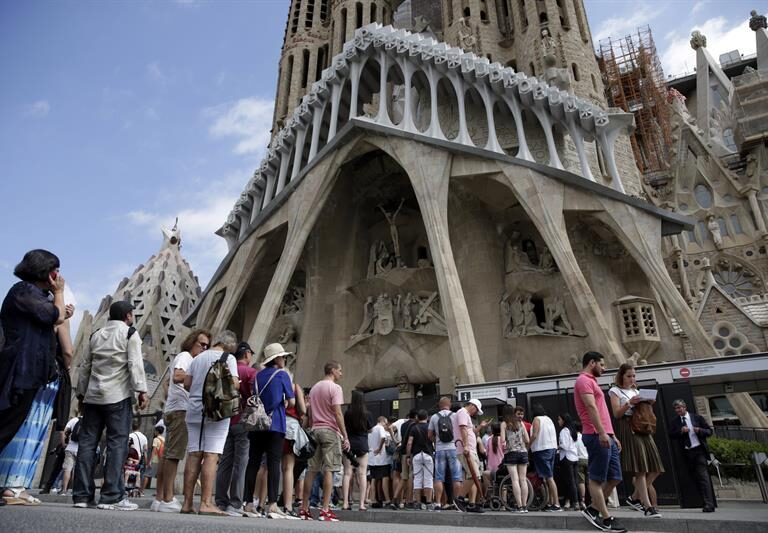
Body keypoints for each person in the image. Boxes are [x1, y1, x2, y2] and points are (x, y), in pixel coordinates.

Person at [0, 250, 67, 506]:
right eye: (55, 270)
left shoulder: (35, 296)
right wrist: (59, 295)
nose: (57, 276)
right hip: (18, 371)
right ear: (44, 270)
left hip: (29, 373)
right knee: (5, 424)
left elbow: (53, 318)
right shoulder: (23, 291)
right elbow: (54, 316)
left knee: (8, 426)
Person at [73, 300, 148, 511]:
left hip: (93, 398)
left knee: (87, 445)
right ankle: (111, 497)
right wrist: (141, 390)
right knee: (117, 445)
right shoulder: (129, 334)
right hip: (117, 396)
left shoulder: (96, 334)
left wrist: (80, 393)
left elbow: (85, 366)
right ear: (128, 316)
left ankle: (82, 496)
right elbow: (135, 364)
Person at [180, 330, 239, 516]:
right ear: (228, 344)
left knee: (194, 454)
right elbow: (234, 384)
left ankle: (187, 503)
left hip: (194, 409)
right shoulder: (228, 358)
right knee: (211, 455)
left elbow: (187, 383)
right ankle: (205, 503)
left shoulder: (197, 358)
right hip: (217, 412)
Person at [152, 328, 210, 512]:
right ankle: (168, 499)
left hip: (174, 410)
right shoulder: (186, 357)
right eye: (202, 344)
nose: (204, 348)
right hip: (180, 411)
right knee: (174, 456)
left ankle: (160, 498)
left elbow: (169, 381)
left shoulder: (186, 358)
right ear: (192, 342)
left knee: (168, 455)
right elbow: (177, 376)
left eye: (207, 346)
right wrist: (200, 377)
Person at [574, 351, 626, 533]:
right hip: (596, 435)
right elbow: (590, 407)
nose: (604, 368)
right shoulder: (583, 381)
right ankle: (606, 519)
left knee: (615, 477)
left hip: (606, 435)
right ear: (592, 363)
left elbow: (602, 412)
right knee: (596, 478)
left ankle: (594, 509)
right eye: (602, 365)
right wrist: (603, 433)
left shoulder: (592, 382)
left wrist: (612, 435)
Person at [246, 342, 296, 519]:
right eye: (283, 356)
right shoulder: (282, 375)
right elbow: (292, 402)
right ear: (277, 359)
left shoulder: (258, 376)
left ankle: (249, 503)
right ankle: (272, 504)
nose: (285, 359)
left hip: (257, 424)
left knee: (253, 462)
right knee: (274, 463)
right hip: (275, 423)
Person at [609, 363, 664, 518]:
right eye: (629, 376)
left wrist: (647, 402)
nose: (632, 378)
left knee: (655, 467)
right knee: (640, 468)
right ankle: (648, 507)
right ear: (622, 376)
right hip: (628, 426)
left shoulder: (636, 390)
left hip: (643, 428)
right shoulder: (615, 391)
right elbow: (616, 414)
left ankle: (634, 497)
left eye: (634, 375)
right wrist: (629, 403)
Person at [299, 360, 350, 522]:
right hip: (330, 431)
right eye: (340, 370)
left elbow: (311, 413)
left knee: (311, 470)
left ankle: (304, 509)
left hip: (315, 430)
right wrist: (345, 435)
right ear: (333, 371)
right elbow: (338, 413)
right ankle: (325, 510)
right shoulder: (335, 388)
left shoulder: (314, 388)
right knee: (330, 469)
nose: (341, 374)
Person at [214, 341, 256, 517]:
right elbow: (255, 396)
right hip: (242, 420)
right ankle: (235, 503)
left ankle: (220, 501)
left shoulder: (228, 368)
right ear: (246, 354)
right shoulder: (250, 372)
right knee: (241, 463)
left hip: (225, 420)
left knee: (225, 463)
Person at [668, 399, 716, 513]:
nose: (679, 410)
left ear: (685, 407)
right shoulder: (675, 422)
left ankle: (709, 504)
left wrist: (699, 430)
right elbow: (671, 434)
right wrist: (681, 431)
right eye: (676, 408)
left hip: (699, 450)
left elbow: (709, 431)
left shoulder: (697, 418)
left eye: (680, 407)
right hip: (686, 453)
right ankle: (701, 501)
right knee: (694, 477)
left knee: (703, 477)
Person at [428, 396, 463, 511]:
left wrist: (436, 442)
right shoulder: (455, 416)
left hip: (440, 449)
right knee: (456, 477)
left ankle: (438, 503)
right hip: (454, 449)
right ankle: (456, 501)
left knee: (439, 477)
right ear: (450, 405)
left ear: (439, 405)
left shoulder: (434, 417)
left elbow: (429, 435)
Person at [342, 390, 373, 511]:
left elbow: (344, 426)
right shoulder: (367, 414)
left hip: (349, 444)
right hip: (362, 444)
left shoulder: (348, 413)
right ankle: (361, 504)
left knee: (347, 473)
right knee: (362, 474)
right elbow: (370, 429)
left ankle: (345, 502)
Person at [454, 398, 484, 513]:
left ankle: (472, 503)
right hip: (467, 449)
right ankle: (460, 498)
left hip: (470, 449)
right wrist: (466, 445)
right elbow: (463, 429)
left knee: (475, 477)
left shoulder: (465, 414)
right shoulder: (462, 412)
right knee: (474, 475)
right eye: (476, 410)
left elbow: (469, 431)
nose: (476, 413)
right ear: (473, 406)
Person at [281, 378, 306, 517]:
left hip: (276, 424)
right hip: (290, 425)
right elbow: (302, 409)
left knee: (271, 467)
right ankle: (288, 505)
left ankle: (261, 502)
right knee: (289, 467)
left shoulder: (277, 385)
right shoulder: (295, 387)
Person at [530, 404, 561, 512]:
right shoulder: (549, 419)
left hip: (541, 449)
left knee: (548, 477)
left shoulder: (536, 419)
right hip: (552, 448)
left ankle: (556, 503)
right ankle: (550, 502)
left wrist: (527, 445)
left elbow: (534, 435)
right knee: (548, 477)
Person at [500, 405, 529, 512]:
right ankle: (525, 506)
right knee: (523, 480)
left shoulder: (504, 424)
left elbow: (502, 440)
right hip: (523, 453)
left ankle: (519, 506)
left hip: (511, 453)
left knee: (515, 480)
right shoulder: (520, 423)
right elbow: (527, 439)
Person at [406, 409, 434, 510]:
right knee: (428, 479)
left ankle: (417, 503)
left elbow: (409, 443)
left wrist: (408, 456)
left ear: (417, 417)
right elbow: (433, 440)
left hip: (417, 455)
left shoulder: (414, 428)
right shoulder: (430, 427)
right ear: (427, 417)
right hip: (428, 454)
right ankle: (429, 502)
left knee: (417, 479)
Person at [368, 416, 393, 509]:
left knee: (373, 479)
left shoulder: (371, 430)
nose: (386, 425)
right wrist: (379, 447)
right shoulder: (380, 428)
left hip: (371, 458)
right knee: (384, 478)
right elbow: (383, 437)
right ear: (382, 421)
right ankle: (387, 499)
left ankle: (373, 499)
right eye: (385, 423)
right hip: (381, 458)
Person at [557, 413, 579, 511]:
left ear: (564, 420)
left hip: (567, 458)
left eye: (559, 419)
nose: (558, 421)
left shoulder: (564, 431)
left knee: (570, 481)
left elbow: (565, 446)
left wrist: (558, 446)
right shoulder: (573, 431)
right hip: (574, 457)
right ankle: (578, 501)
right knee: (575, 481)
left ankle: (574, 502)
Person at [60, 413, 82, 495]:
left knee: (68, 469)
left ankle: (64, 490)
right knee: (76, 471)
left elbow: (63, 432)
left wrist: (63, 444)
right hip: (81, 449)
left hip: (70, 448)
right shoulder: (90, 420)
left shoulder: (74, 420)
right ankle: (74, 490)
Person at [128, 419, 148, 495]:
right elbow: (145, 450)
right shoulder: (144, 437)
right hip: (140, 459)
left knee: (129, 473)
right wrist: (146, 461)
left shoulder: (130, 436)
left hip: (130, 458)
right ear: (139, 427)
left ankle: (129, 489)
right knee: (140, 475)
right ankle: (139, 491)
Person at [143, 425, 164, 491]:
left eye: (155, 431)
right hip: (161, 460)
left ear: (157, 431)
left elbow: (154, 451)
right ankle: (159, 492)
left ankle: (142, 491)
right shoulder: (164, 439)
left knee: (146, 475)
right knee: (159, 477)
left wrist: (150, 461)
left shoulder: (156, 439)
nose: (154, 432)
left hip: (155, 460)